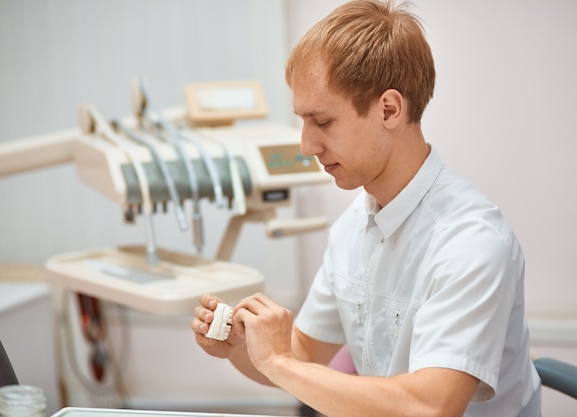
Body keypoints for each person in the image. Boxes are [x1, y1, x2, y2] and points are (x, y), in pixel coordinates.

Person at [191, 1, 542, 416]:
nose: (306, 146)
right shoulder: (353, 228)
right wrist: (240, 349)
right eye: (302, 121)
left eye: (322, 122)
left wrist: (279, 361)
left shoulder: (472, 243)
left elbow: (429, 407)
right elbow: (302, 353)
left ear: (389, 109)